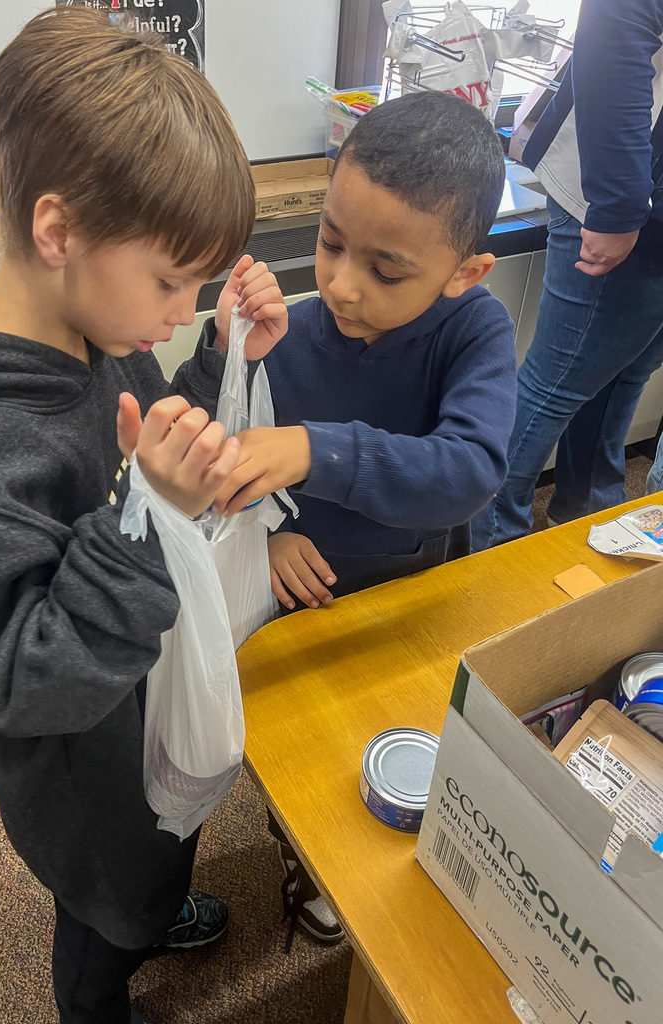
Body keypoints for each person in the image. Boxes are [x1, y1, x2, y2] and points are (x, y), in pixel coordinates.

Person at [0, 9, 287, 1024]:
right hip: (81, 767)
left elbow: (147, 437)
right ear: (59, 231)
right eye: (170, 281)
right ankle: (106, 983)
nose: (177, 303)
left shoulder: (97, 326)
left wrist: (218, 356)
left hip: (137, 701)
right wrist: (147, 509)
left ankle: (154, 908)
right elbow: (20, 681)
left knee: (162, 842)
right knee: (106, 911)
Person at [210, 91, 517, 944]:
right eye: (329, 244)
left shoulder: (474, 334)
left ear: (465, 272)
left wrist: (315, 449)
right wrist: (267, 530)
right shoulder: (294, 335)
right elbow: (221, 462)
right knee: (306, 763)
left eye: (385, 271)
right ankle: (299, 859)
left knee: (399, 746)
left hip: (411, 586)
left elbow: (471, 471)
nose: (341, 286)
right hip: (300, 601)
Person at [473, 0, 663, 550]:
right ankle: (487, 541)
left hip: (640, 199)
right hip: (628, 195)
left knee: (621, 376)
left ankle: (585, 516)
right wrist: (620, 205)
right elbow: (616, 30)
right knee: (556, 384)